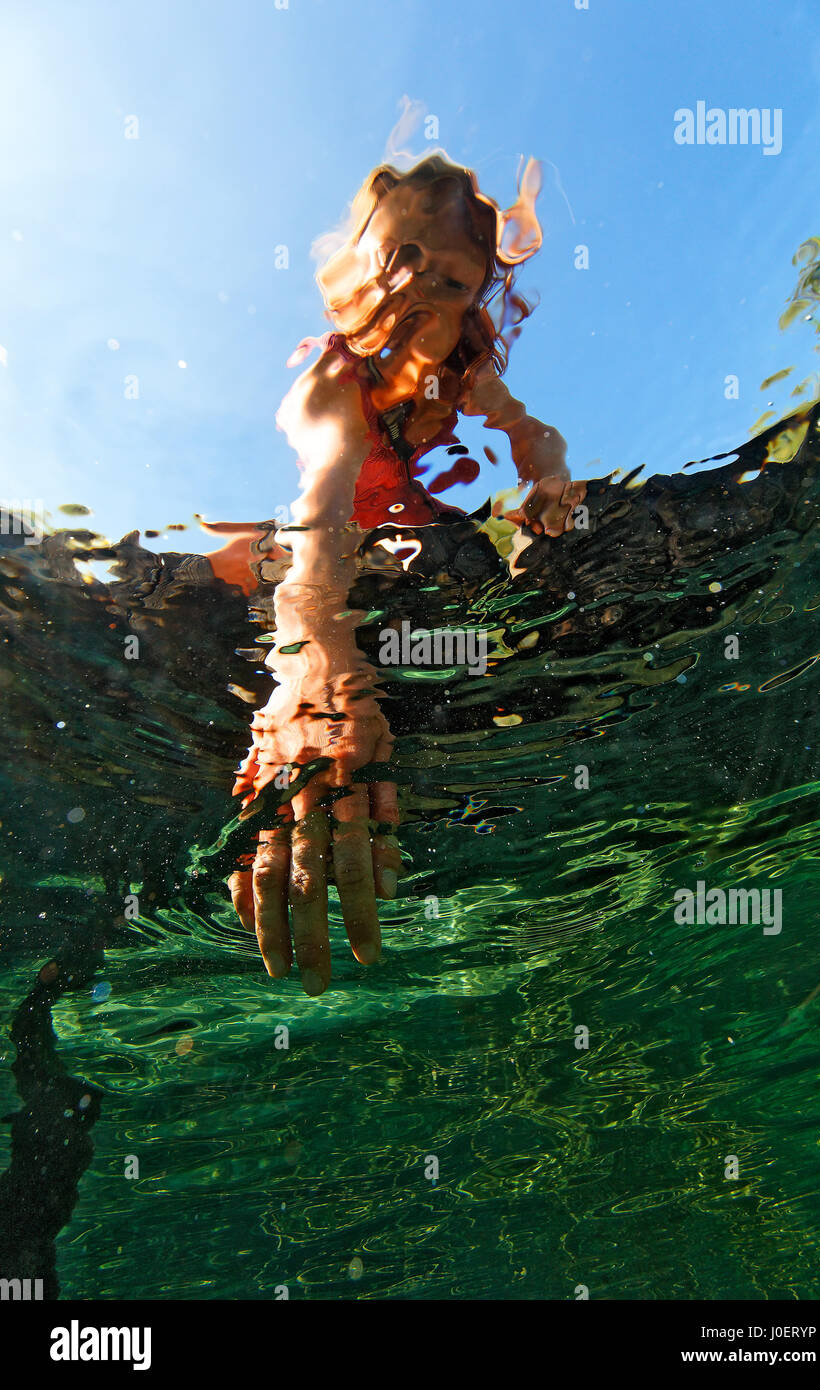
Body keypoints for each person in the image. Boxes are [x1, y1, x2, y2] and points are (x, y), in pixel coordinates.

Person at [223, 154, 586, 994]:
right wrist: (316, 682)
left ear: (472, 304)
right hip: (342, 541)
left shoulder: (463, 369)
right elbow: (322, 501)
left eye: (454, 282)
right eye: (400, 259)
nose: (418, 294)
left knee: (487, 594)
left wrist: (551, 474)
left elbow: (535, 433)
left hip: (429, 542)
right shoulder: (331, 378)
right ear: (358, 266)